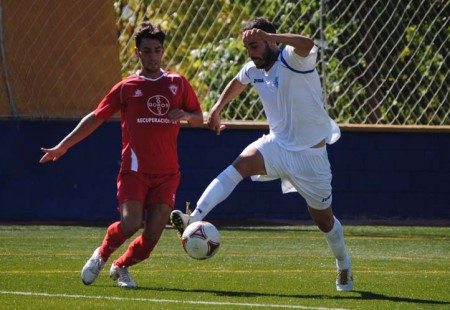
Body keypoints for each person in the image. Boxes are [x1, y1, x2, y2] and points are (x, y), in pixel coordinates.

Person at [170, 17, 353, 292]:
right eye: (247, 48)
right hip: (276, 147)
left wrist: (275, 36)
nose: (251, 53)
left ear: (269, 40)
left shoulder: (294, 59)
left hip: (310, 158)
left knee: (325, 221)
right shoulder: (254, 68)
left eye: (254, 45)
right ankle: (194, 217)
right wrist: (217, 109)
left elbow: (308, 44)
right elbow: (239, 80)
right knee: (241, 164)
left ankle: (343, 265)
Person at [40, 21, 203, 288]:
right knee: (129, 224)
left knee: (151, 238)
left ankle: (121, 267)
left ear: (163, 52)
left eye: (157, 50)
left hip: (167, 173)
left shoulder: (177, 83)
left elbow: (199, 117)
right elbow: (95, 117)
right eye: (147, 51)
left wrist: (186, 115)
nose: (153, 56)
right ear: (137, 53)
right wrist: (64, 145)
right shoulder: (127, 87)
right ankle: (101, 255)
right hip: (134, 170)